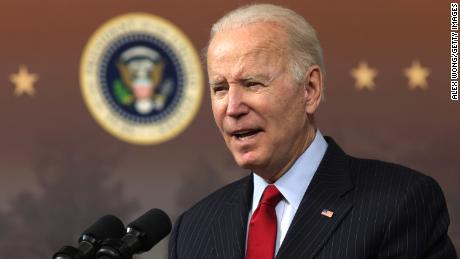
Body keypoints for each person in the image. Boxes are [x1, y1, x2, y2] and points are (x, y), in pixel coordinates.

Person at [168, 3, 457, 259]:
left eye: (253, 83)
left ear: (310, 89)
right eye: (220, 89)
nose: (232, 107)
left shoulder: (399, 204)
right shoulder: (193, 229)